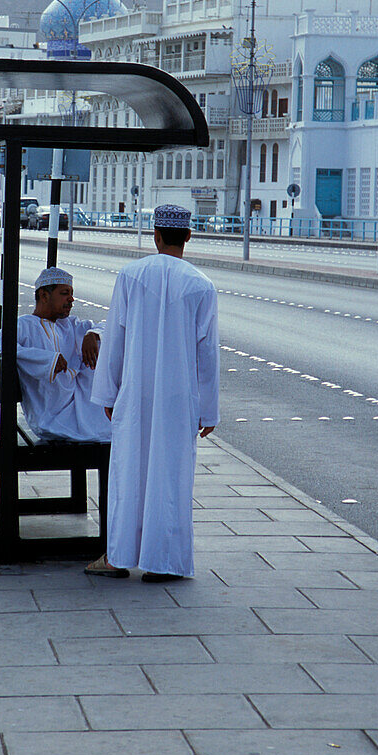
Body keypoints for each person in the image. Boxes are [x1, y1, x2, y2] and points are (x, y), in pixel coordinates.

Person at [87, 204, 219, 582]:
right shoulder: (201, 285)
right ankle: (164, 562)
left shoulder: (131, 276)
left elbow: (116, 339)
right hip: (179, 400)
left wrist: (109, 394)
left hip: (136, 393)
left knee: (129, 472)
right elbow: (206, 354)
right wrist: (207, 411)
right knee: (171, 476)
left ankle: (118, 556)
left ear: (155, 236)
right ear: (188, 237)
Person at [0, 266, 111, 443]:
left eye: (71, 293)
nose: (71, 299)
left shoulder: (70, 325)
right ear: (44, 295)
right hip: (52, 416)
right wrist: (47, 360)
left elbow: (109, 326)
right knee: (121, 432)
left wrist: (93, 334)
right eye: (65, 293)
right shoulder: (25, 325)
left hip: (79, 405)